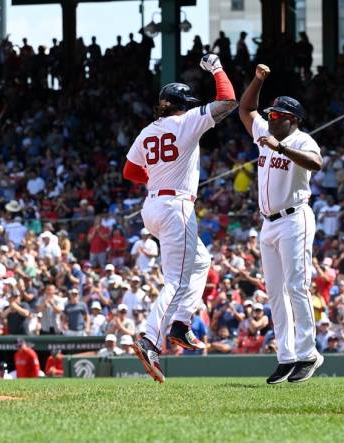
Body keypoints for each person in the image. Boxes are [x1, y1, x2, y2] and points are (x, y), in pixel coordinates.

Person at [123, 54, 237, 383]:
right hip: (176, 208)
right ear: (177, 104)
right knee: (175, 280)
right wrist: (216, 68)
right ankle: (149, 340)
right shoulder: (185, 122)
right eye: (185, 103)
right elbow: (227, 101)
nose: (189, 107)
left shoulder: (147, 131)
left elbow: (129, 170)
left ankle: (180, 325)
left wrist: (158, 177)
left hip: (154, 207)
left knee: (201, 262)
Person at [239, 63, 324, 384]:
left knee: (296, 286)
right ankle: (286, 356)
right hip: (268, 223)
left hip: (294, 218)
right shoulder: (264, 132)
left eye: (278, 116)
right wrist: (258, 80)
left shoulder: (301, 140)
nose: (271, 119)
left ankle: (308, 354)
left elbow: (316, 163)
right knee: (275, 291)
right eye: (271, 115)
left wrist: (283, 148)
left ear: (293, 120)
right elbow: (246, 108)